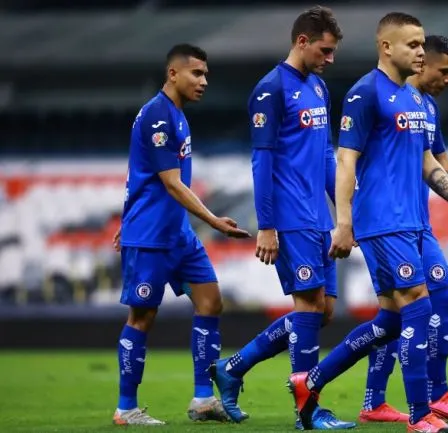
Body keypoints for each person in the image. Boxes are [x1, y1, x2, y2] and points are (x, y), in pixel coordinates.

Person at [288, 12, 448, 433]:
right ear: (386, 47)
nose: (421, 52)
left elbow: (427, 163)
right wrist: (342, 222)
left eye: (422, 45)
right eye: (413, 45)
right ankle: (422, 416)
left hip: (415, 223)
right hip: (383, 222)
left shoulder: (417, 100)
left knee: (390, 321)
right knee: (419, 305)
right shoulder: (365, 93)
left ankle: (310, 381)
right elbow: (346, 159)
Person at [208, 7, 354, 429]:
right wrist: (266, 225)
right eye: (325, 50)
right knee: (308, 306)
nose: (330, 59)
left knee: (323, 310)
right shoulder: (270, 90)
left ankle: (232, 368)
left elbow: (327, 154)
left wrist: (345, 211)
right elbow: (262, 162)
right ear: (302, 41)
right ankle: (308, 413)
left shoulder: (320, 89)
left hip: (319, 217)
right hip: (289, 218)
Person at [359, 35, 448, 424]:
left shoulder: (426, 107)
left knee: (427, 300)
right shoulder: (381, 98)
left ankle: (386, 399)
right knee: (409, 308)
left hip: (417, 223)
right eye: (445, 71)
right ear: (422, 64)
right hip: (389, 223)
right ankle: (423, 397)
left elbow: (443, 163)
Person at [112, 43, 251, 426]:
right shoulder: (158, 116)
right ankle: (126, 408)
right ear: (173, 73)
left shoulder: (177, 115)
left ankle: (203, 399)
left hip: (177, 235)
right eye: (196, 73)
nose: (204, 81)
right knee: (141, 317)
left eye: (206, 74)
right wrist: (214, 220)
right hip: (151, 236)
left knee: (211, 302)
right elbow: (171, 184)